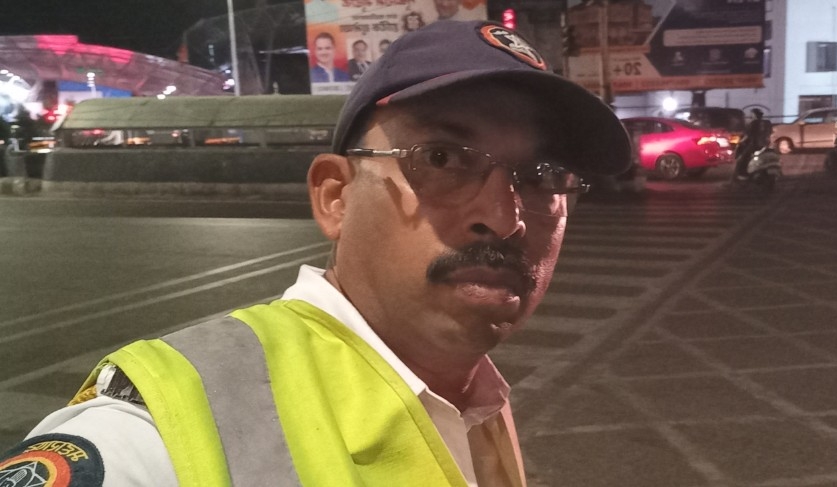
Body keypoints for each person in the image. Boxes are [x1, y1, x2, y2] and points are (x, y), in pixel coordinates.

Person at [2, 20, 630, 486]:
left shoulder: (474, 399)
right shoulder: (166, 427)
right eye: (441, 158)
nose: (505, 216)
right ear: (336, 197)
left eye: (544, 176)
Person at [733, 108, 772, 179]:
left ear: (754, 115)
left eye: (752, 114)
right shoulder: (766, 123)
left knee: (742, 158)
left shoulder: (753, 123)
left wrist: (740, 142)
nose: (751, 116)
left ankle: (743, 174)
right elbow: (769, 133)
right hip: (765, 145)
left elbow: (748, 135)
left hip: (755, 144)